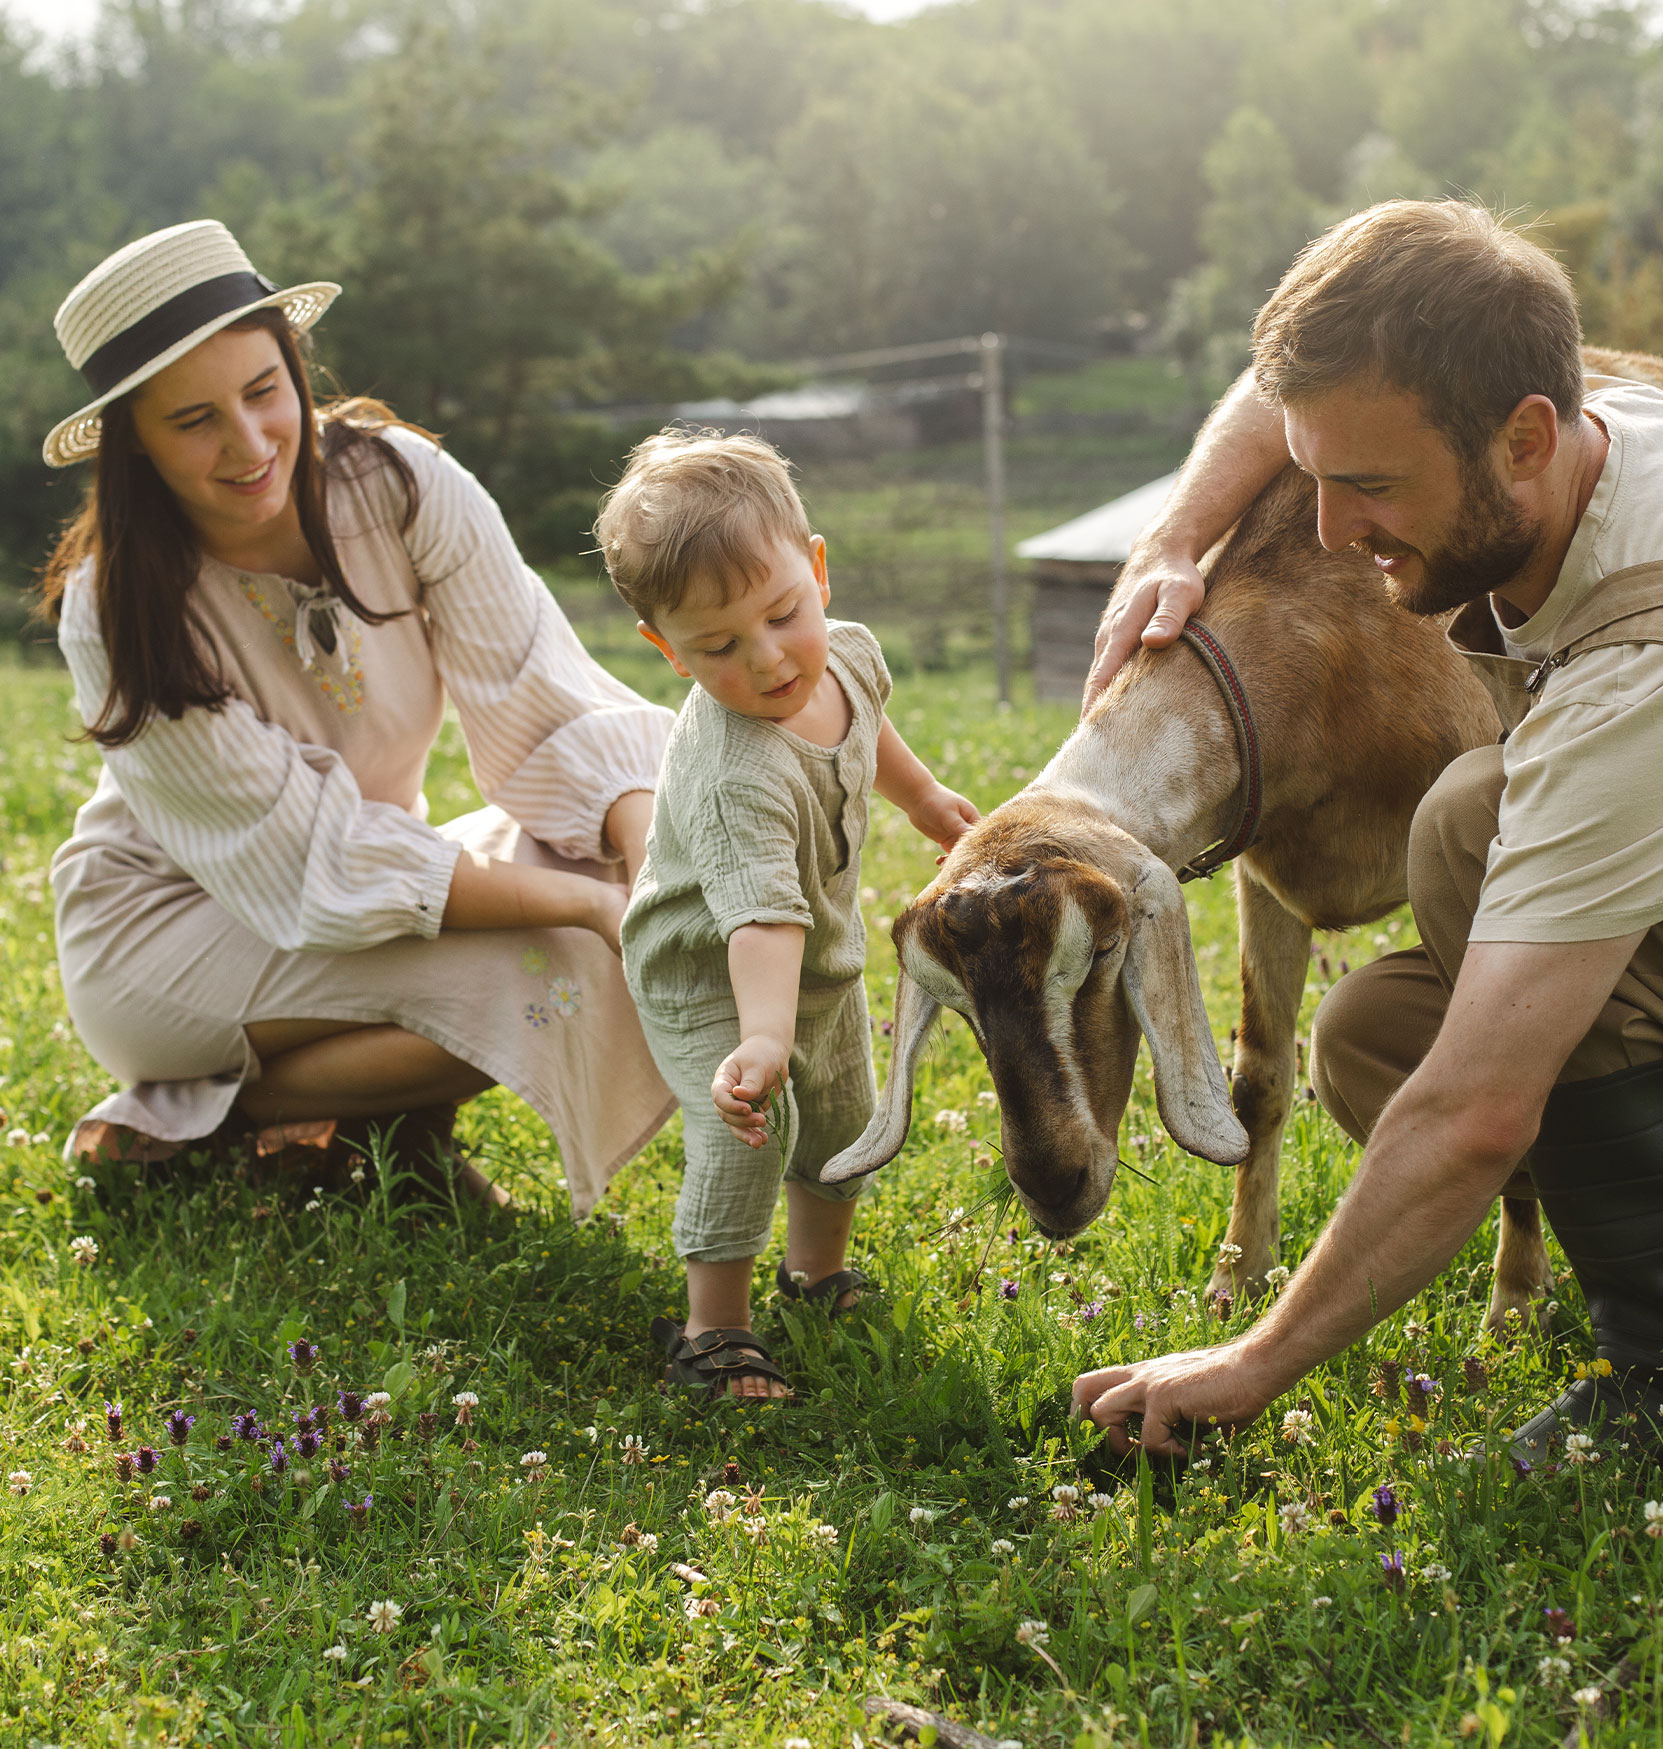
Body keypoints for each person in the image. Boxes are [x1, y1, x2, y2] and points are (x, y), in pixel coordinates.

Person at [1071, 199, 1663, 1461]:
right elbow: (1290, 383)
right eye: (1313, 476)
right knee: (1379, 1020)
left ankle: (1652, 1364)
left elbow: (1475, 1111)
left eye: (1373, 486)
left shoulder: (1634, 671)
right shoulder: (1598, 438)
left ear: (1522, 439)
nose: (1334, 533)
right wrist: (1176, 539)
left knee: (1467, 891)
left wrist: (1253, 1362)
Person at [41, 219, 677, 1212]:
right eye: (192, 420)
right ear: (135, 445)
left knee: (595, 860)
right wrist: (595, 911)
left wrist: (645, 871)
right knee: (538, 972)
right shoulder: (114, 605)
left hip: (361, 881)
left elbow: (549, 709)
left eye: (263, 392)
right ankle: (233, 1125)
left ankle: (342, 1136)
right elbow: (312, 857)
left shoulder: (401, 486)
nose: (249, 444)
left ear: (295, 371)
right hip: (164, 936)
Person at [597, 431, 978, 1398]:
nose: (767, 660)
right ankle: (712, 1331)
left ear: (817, 571)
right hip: (710, 972)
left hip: (817, 955)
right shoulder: (737, 770)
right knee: (748, 1130)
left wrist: (925, 799)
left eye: (782, 616)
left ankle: (815, 1275)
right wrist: (761, 1040)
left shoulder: (845, 655)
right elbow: (759, 922)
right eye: (718, 646)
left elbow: (869, 728)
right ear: (666, 651)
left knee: (844, 1111)